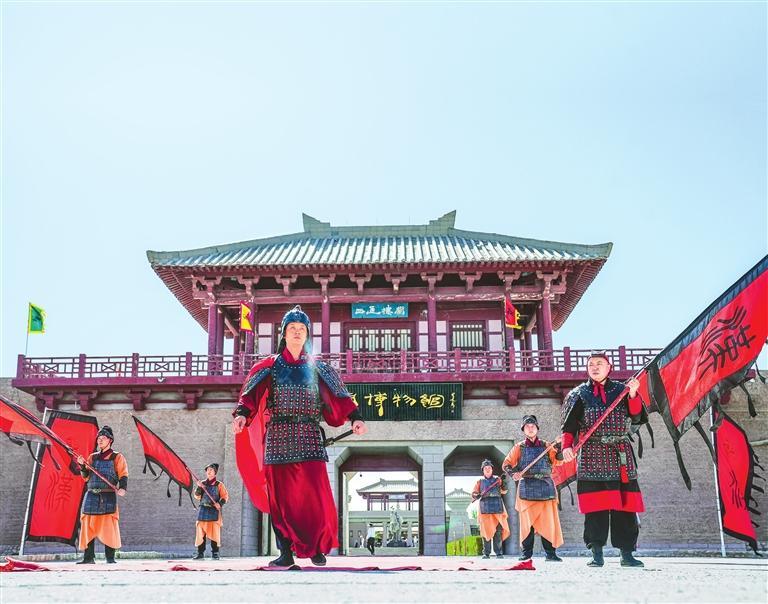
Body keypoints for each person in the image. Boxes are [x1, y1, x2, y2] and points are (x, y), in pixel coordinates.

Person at [233, 305, 368, 567]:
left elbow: (340, 396)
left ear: (307, 335)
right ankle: (285, 552)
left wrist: (356, 417)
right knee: (281, 501)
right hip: (279, 437)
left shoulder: (318, 367)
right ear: (284, 333)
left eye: (302, 329)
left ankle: (315, 548)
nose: (297, 332)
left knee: (314, 497)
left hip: (309, 435)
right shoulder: (270, 366)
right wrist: (241, 414)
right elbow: (250, 397)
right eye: (292, 328)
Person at [561, 351, 647, 568]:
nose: (595, 367)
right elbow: (569, 426)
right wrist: (566, 447)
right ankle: (596, 554)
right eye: (591, 364)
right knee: (594, 508)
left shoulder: (622, 390)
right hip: (592, 455)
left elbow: (636, 415)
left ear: (609, 367)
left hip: (620, 455)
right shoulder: (579, 394)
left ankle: (627, 554)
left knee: (625, 508)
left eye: (599, 363)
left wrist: (633, 394)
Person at [502, 415, 564, 562]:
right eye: (527, 427)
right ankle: (526, 553)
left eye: (533, 426)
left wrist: (559, 447)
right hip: (527, 487)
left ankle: (550, 553)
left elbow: (558, 461)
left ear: (537, 428)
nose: (530, 428)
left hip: (546, 486)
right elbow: (506, 464)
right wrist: (513, 474)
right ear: (523, 430)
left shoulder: (547, 445)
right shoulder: (519, 447)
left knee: (548, 522)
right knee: (527, 524)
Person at [75, 426, 128, 564]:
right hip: (91, 495)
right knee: (87, 526)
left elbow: (123, 474)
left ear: (110, 440)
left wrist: (122, 488)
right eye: (98, 438)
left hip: (107, 495)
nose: (100, 440)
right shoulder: (92, 457)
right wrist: (82, 466)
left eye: (103, 438)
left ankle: (110, 558)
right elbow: (86, 477)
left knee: (109, 527)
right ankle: (88, 558)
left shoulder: (117, 457)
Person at [471, 460, 510, 559]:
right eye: (485, 468)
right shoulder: (479, 481)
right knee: (485, 531)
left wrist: (504, 482)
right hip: (485, 508)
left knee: (498, 532)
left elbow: (504, 491)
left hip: (497, 507)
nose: (487, 469)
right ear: (483, 470)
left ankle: (499, 553)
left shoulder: (498, 479)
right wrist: (476, 495)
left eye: (489, 468)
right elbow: (474, 493)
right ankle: (486, 553)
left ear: (492, 469)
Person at [192, 463, 229, 560]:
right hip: (203, 510)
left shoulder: (219, 485)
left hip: (213, 510)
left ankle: (215, 553)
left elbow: (225, 496)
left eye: (211, 470)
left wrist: (219, 504)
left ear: (215, 472)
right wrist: (199, 487)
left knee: (215, 532)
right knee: (200, 532)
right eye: (207, 470)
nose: (208, 471)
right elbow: (197, 496)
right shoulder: (202, 483)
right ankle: (200, 553)